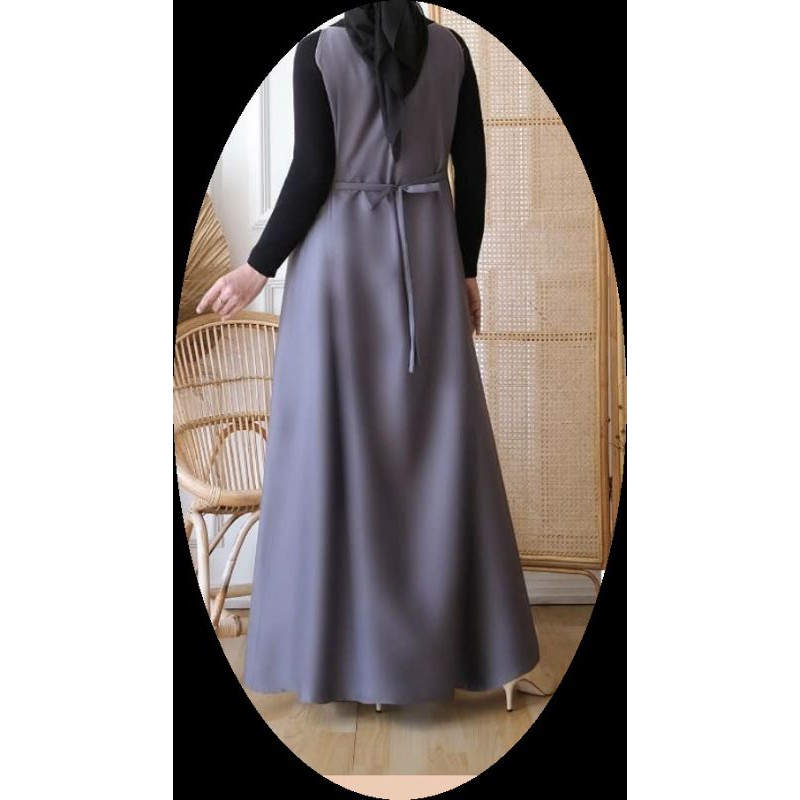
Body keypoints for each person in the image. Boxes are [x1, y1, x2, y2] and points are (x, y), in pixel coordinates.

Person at [197, 0, 541, 710]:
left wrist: (257, 268)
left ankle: (344, 659)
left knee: (337, 454)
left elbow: (312, 172)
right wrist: (465, 271)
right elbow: (473, 171)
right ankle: (451, 652)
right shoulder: (452, 53)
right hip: (429, 264)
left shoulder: (318, 54)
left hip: (337, 275)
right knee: (435, 453)